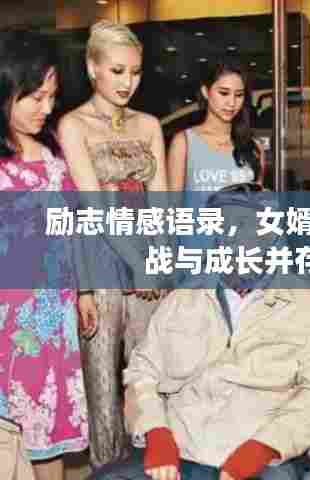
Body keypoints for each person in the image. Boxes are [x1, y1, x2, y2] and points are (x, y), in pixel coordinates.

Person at [88, 182, 310, 480]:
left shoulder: (303, 304)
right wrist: (157, 434)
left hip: (266, 456)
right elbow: (141, 373)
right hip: (184, 450)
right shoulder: (184, 298)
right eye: (226, 225)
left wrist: (263, 448)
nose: (236, 237)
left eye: (250, 225)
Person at [58, 20, 169, 469]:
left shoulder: (149, 124)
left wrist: (158, 261)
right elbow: (94, 206)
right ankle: (107, 472)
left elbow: (161, 202)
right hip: (100, 261)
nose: (128, 82)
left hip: (148, 266)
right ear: (92, 68)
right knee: (102, 388)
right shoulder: (73, 125)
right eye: (117, 71)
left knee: (151, 381)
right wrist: (138, 263)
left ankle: (154, 469)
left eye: (135, 72)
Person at [0, 29, 88, 480]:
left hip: (54, 317)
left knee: (48, 429)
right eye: (35, 97)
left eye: (52, 97)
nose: (46, 108)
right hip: (7, 318)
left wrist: (85, 292)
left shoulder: (54, 157)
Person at [168, 59, 265, 194]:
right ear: (205, 92)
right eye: (224, 93)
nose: (231, 103)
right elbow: (172, 205)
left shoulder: (253, 147)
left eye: (239, 95)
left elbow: (257, 199)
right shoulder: (184, 142)